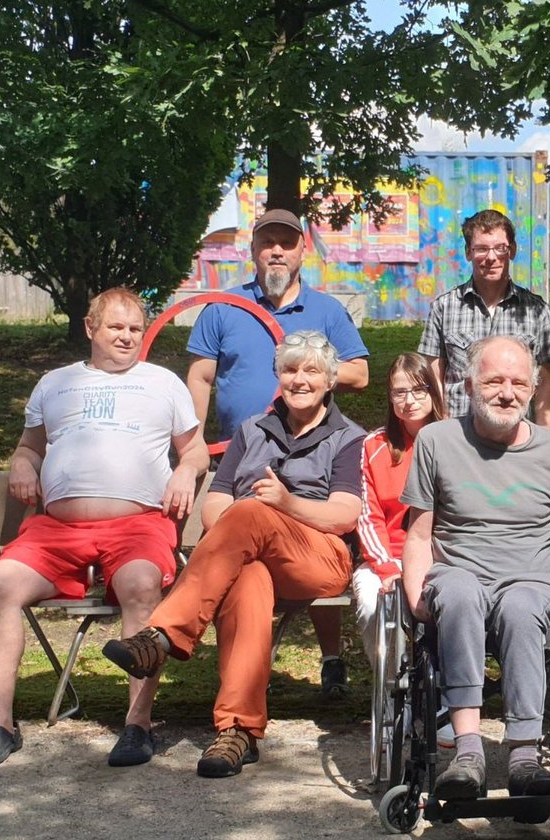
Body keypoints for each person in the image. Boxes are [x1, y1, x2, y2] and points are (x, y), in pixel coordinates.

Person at [103, 331, 365, 778]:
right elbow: (214, 504)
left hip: (318, 556)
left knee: (249, 514)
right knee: (247, 580)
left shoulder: (347, 437)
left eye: (311, 371)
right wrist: (249, 515)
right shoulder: (251, 431)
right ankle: (238, 730)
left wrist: (284, 505)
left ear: (330, 380)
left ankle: (164, 635)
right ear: (277, 375)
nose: (299, 379)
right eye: (290, 369)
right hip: (248, 551)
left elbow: (344, 514)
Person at [0, 287, 208, 768]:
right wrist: (20, 462)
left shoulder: (163, 383)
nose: (126, 337)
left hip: (139, 524)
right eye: (116, 327)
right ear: (90, 328)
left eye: (135, 329)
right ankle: (0, 726)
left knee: (142, 586)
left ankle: (137, 727)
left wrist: (185, 470)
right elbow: (30, 445)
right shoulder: (55, 383)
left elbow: (196, 448)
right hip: (56, 528)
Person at [400, 335, 550, 801]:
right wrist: (414, 597)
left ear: (533, 388)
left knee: (522, 606)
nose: (507, 392)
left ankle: (524, 756)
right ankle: (468, 753)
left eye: (519, 382)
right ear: (469, 383)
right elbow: (420, 535)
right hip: (458, 573)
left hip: (532, 579)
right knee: (460, 594)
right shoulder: (436, 441)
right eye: (495, 380)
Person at [185, 208, 370, 699]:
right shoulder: (223, 307)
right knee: (251, 557)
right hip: (243, 448)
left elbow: (361, 374)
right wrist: (192, 445)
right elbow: (201, 377)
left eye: (286, 243)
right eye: (268, 242)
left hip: (311, 451)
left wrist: (307, 370)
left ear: (302, 251)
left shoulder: (326, 310)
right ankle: (240, 694)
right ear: (253, 250)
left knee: (290, 528)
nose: (277, 251)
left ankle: (330, 658)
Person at [417, 209, 550, 426]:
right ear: (468, 253)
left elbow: (545, 382)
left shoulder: (536, 310)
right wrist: (442, 432)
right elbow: (433, 378)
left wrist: (543, 439)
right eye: (481, 249)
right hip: (459, 435)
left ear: (511, 250)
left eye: (500, 248)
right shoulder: (444, 308)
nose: (491, 257)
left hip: (517, 436)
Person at [353, 352, 447, 662]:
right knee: (372, 605)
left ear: (434, 391)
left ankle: (448, 683)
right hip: (389, 556)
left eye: (419, 390)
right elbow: (368, 517)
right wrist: (388, 569)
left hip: (446, 557)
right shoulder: (373, 446)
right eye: (399, 392)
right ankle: (395, 686)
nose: (409, 400)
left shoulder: (457, 442)